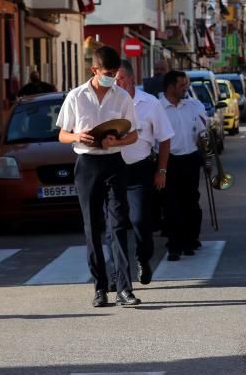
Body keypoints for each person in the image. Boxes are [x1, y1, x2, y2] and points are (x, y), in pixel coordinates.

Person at [56, 46, 141, 308]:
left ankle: (124, 289)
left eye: (115, 73)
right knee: (92, 227)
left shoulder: (122, 97)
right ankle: (100, 288)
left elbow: (134, 134)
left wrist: (118, 140)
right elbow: (62, 135)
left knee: (118, 225)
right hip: (87, 163)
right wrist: (77, 136)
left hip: (114, 161)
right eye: (107, 73)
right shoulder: (76, 96)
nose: (113, 77)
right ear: (94, 70)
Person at [114, 59, 174, 286]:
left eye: (120, 78)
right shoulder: (106, 104)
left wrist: (161, 170)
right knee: (114, 223)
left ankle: (143, 259)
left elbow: (165, 138)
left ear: (130, 79)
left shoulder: (150, 104)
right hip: (113, 168)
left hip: (140, 168)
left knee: (140, 220)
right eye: (113, 79)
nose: (116, 83)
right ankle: (117, 273)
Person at [159, 70, 208, 260]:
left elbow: (202, 134)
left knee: (191, 201)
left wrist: (207, 160)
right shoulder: (158, 108)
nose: (185, 88)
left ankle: (190, 240)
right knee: (171, 205)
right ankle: (174, 245)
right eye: (181, 85)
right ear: (170, 87)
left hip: (191, 159)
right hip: (168, 161)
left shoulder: (193, 106)